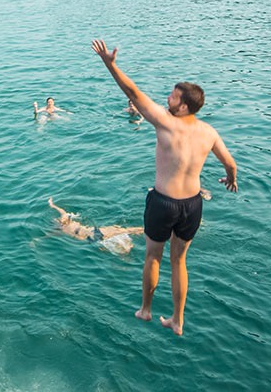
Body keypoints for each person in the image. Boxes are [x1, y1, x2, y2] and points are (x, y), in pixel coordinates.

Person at [92, 38, 238, 336]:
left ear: (183, 106)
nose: (167, 99)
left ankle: (146, 309)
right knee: (180, 261)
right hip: (193, 205)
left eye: (172, 96)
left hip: (164, 203)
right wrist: (231, 179)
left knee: (153, 256)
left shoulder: (165, 122)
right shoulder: (209, 132)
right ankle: (177, 320)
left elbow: (132, 91)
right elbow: (231, 164)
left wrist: (111, 65)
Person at [48, 198, 143, 255]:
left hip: (90, 235)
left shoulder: (64, 226)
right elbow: (49, 235)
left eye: (59, 219)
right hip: (90, 235)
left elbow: (61, 211)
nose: (60, 220)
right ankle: (136, 238)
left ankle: (142, 231)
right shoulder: (63, 227)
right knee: (120, 233)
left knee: (120, 232)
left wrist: (52, 205)